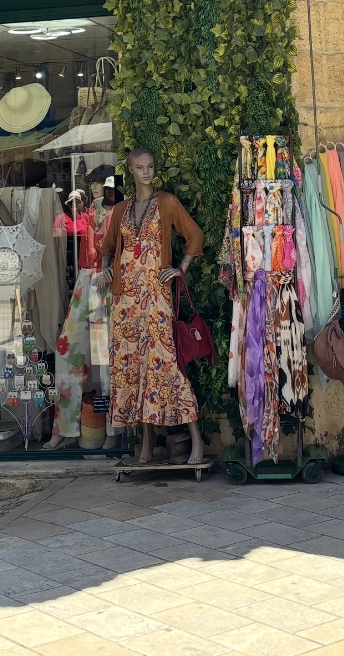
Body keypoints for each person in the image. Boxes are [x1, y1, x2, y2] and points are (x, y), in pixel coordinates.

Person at [100, 148, 205, 465]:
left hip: (156, 298)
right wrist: (107, 268)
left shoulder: (167, 202)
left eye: (150, 167)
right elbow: (107, 247)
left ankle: (197, 441)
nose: (146, 172)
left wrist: (181, 268)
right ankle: (146, 444)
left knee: (166, 367)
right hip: (125, 302)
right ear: (130, 170)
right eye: (140, 167)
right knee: (133, 370)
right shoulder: (120, 210)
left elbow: (195, 235)